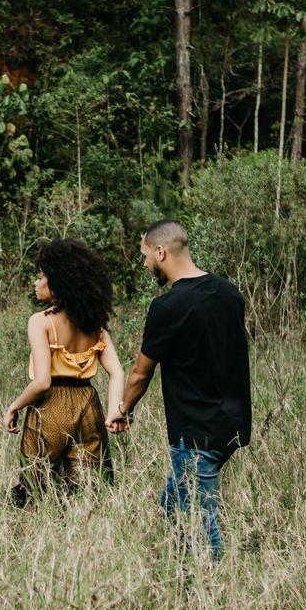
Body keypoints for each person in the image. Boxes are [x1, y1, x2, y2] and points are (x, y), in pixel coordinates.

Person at [106, 219, 251, 560]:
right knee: (173, 503)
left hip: (196, 431)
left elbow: (141, 373)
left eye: (145, 255)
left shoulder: (168, 306)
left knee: (200, 524)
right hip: (232, 425)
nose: (144, 263)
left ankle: (205, 596)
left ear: (161, 252)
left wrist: (123, 409)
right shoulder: (230, 293)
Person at [3, 238, 126, 507]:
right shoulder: (96, 326)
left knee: (35, 490)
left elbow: (42, 382)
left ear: (58, 282)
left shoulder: (40, 322)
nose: (36, 283)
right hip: (88, 407)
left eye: (41, 276)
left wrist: (15, 406)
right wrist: (116, 411)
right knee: (86, 494)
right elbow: (117, 372)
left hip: (50, 410)